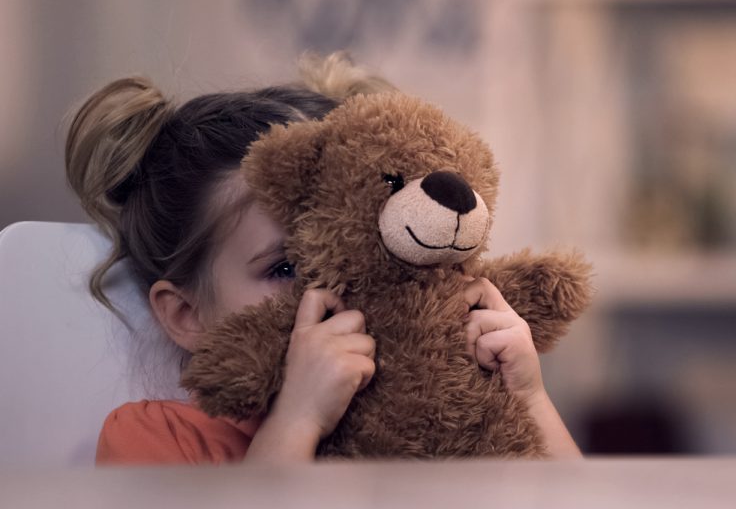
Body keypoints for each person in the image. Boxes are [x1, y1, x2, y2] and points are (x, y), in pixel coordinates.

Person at [66, 53, 582, 465]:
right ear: (187, 314)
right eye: (285, 269)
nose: (337, 290)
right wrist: (297, 423)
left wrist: (527, 398)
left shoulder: (431, 416)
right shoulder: (159, 437)